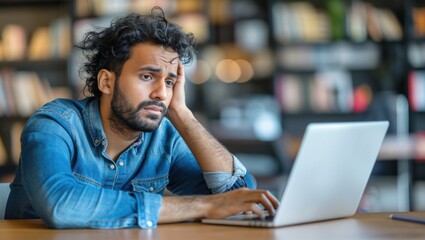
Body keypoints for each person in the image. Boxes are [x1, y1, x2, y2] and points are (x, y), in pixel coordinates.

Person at [5, 7, 278, 229]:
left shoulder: (164, 137)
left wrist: (182, 114)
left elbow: (241, 197)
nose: (161, 93)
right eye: (147, 76)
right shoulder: (54, 125)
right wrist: (203, 206)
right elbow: (61, 205)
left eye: (170, 82)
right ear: (106, 82)